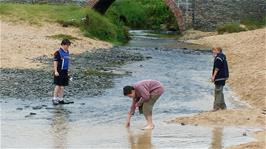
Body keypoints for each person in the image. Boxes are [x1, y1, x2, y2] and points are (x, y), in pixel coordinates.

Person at [52, 39, 72, 105]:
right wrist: (56, 71)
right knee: (58, 85)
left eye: (68, 45)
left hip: (65, 70)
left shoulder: (67, 52)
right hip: (59, 71)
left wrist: (68, 70)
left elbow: (67, 61)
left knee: (62, 86)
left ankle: (61, 99)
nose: (68, 46)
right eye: (67, 45)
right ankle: (54, 99)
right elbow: (55, 62)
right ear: (63, 44)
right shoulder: (58, 52)